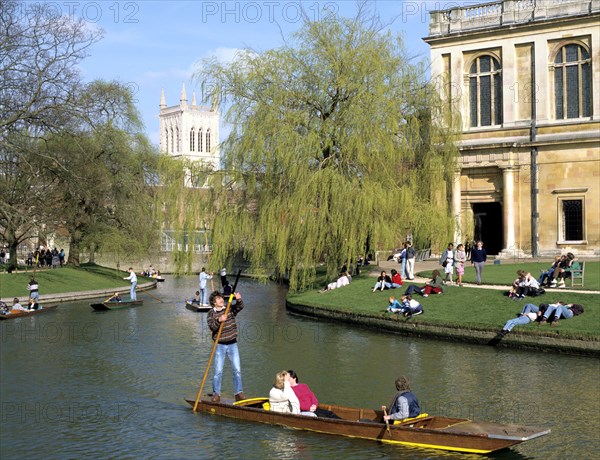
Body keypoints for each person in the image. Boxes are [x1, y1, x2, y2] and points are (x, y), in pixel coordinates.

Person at [207, 290, 245, 402]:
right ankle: (216, 394)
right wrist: (219, 320)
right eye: (218, 299)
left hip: (233, 343)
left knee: (237, 369)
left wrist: (238, 299)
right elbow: (212, 327)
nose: (221, 300)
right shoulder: (211, 313)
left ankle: (238, 393)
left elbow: (240, 307)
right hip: (220, 345)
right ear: (214, 302)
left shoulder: (228, 308)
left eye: (222, 298)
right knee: (218, 371)